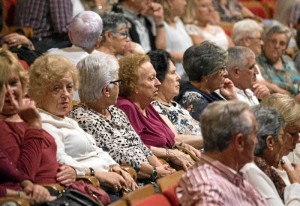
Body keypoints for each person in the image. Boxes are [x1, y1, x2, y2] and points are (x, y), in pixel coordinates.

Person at [28, 55, 138, 197]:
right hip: (89, 187)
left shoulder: (67, 120)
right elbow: (62, 163)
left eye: (69, 87)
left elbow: (96, 150)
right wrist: (97, 173)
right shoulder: (43, 123)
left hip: (105, 180)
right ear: (40, 91)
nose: (66, 95)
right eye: (56, 89)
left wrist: (115, 167)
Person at [70, 52, 175, 185]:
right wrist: (155, 171)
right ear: (106, 90)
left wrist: (159, 167)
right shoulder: (83, 118)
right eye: (118, 82)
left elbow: (140, 145)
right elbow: (116, 156)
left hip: (152, 175)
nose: (120, 86)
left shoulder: (115, 111)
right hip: (133, 181)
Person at [116, 53, 201, 171]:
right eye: (151, 79)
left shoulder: (147, 104)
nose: (158, 83)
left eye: (156, 77)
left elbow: (171, 139)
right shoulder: (125, 107)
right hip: (156, 172)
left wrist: (181, 146)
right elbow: (133, 147)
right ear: (133, 86)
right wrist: (170, 153)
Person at [176, 100, 268, 205]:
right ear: (239, 142)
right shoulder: (208, 189)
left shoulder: (233, 175)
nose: (256, 141)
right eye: (254, 134)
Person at [241, 106, 300, 205]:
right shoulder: (250, 170)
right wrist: (296, 184)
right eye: (282, 136)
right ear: (270, 142)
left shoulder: (261, 166)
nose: (298, 139)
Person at [148, 50, 203, 149]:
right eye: (173, 73)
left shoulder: (174, 104)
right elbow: (174, 139)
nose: (178, 77)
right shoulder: (154, 108)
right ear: (158, 78)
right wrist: (212, 139)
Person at [175, 41, 237, 121]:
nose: (226, 73)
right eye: (221, 69)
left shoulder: (208, 93)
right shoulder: (193, 100)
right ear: (206, 75)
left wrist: (232, 98)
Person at [260, 94, 300, 180]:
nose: (298, 139)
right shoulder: (260, 171)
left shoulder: (284, 158)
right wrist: (296, 184)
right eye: (293, 134)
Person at [257, 24, 300, 101]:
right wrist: (289, 92)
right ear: (265, 42)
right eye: (273, 41)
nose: (277, 46)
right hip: (277, 103)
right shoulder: (257, 63)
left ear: (286, 48)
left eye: (282, 43)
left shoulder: (287, 60)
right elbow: (263, 84)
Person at [153, 0, 193, 82]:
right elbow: (161, 50)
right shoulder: (158, 22)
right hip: (177, 74)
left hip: (189, 70)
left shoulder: (178, 21)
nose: (185, 3)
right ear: (170, 2)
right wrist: (188, 56)